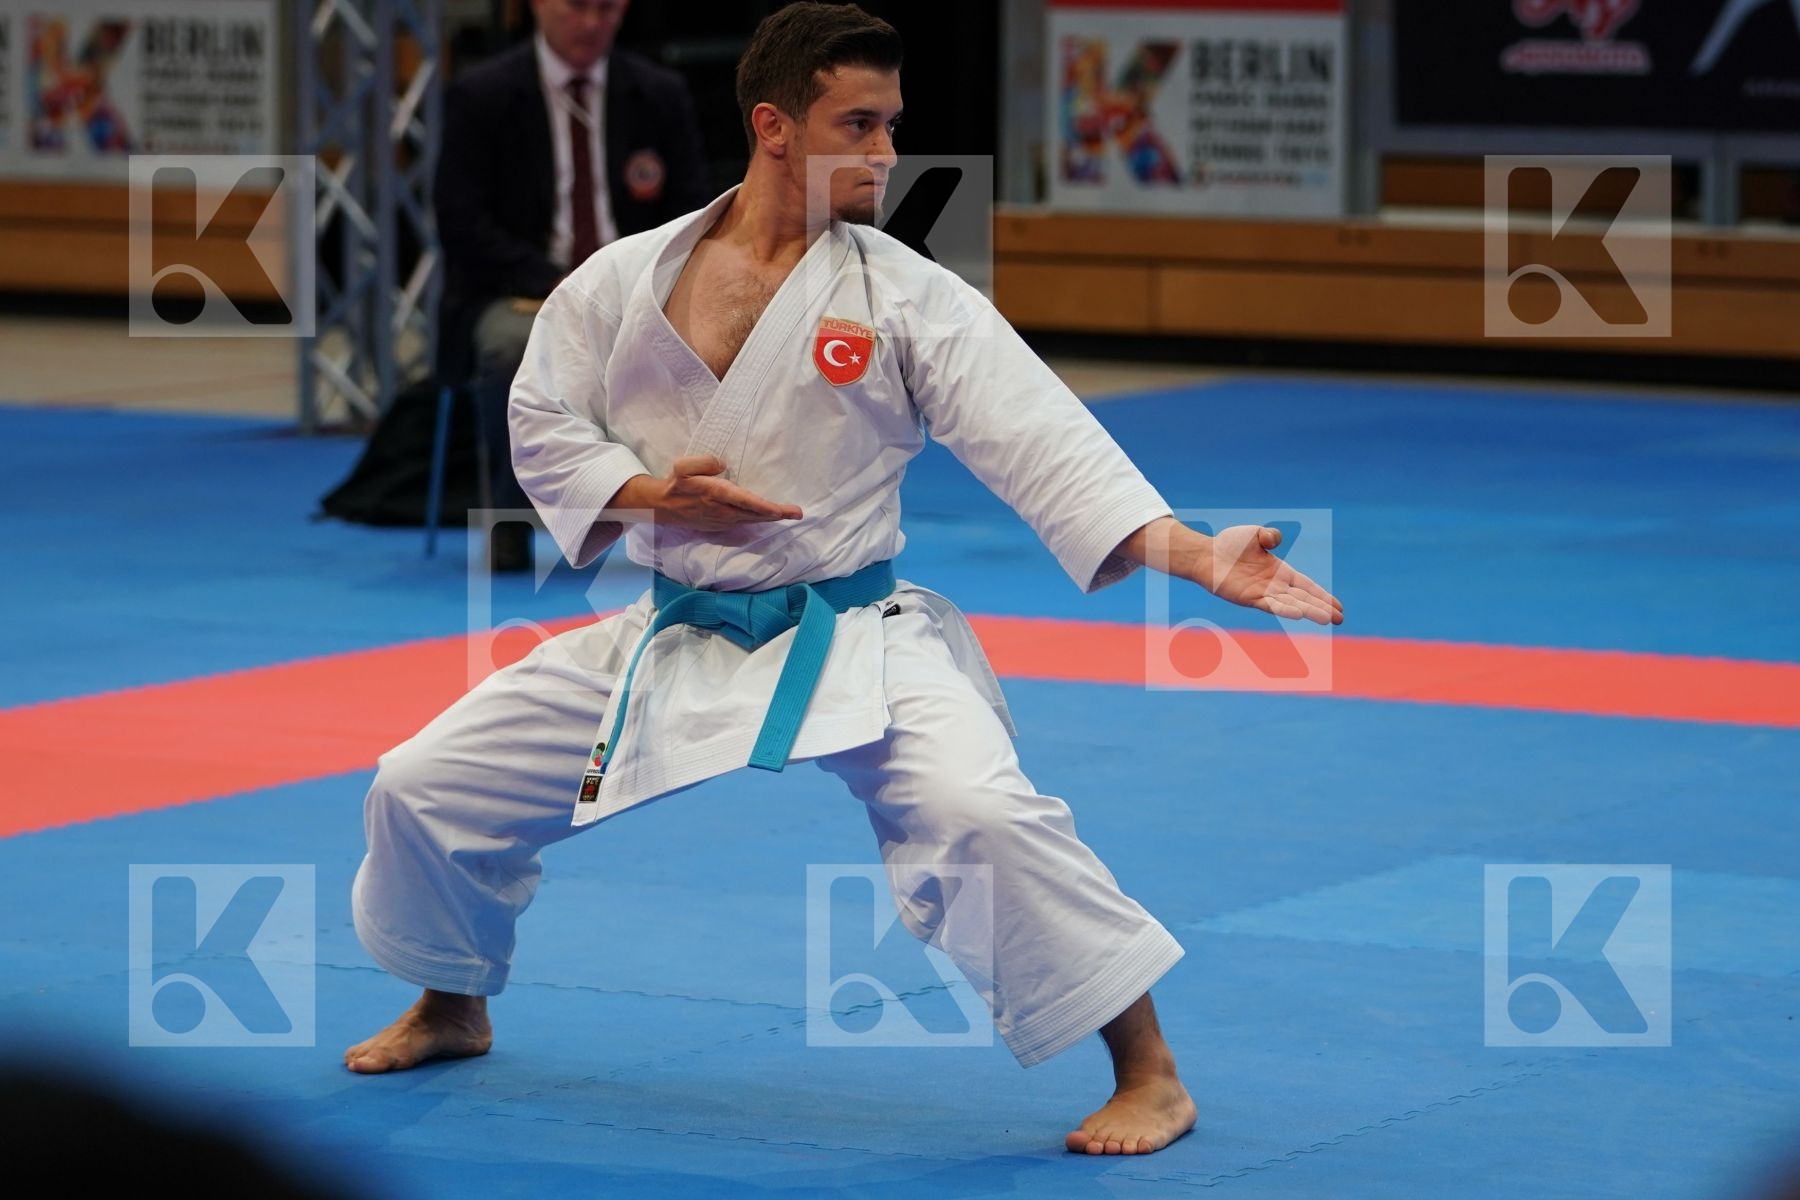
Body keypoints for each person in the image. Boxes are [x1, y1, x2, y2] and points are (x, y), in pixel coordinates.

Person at [348, 2, 1343, 1158]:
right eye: (857, 125)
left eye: (891, 126)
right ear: (775, 126)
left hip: (854, 625)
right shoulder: (625, 281)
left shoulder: (907, 293)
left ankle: (1151, 1072)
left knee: (981, 815)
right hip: (676, 627)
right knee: (421, 783)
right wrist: (648, 493)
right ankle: (450, 998)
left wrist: (1194, 552)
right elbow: (543, 420)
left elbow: (1043, 444)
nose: (884, 153)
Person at [435, 0, 711, 570]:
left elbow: (694, 211)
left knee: (721, 332)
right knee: (514, 347)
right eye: (577, 7)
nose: (591, 24)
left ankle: (693, 520)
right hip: (519, 290)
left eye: (607, 9)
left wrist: (628, 284)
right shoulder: (482, 94)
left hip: (638, 290)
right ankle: (511, 522)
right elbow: (462, 221)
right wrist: (561, 285)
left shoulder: (658, 93)